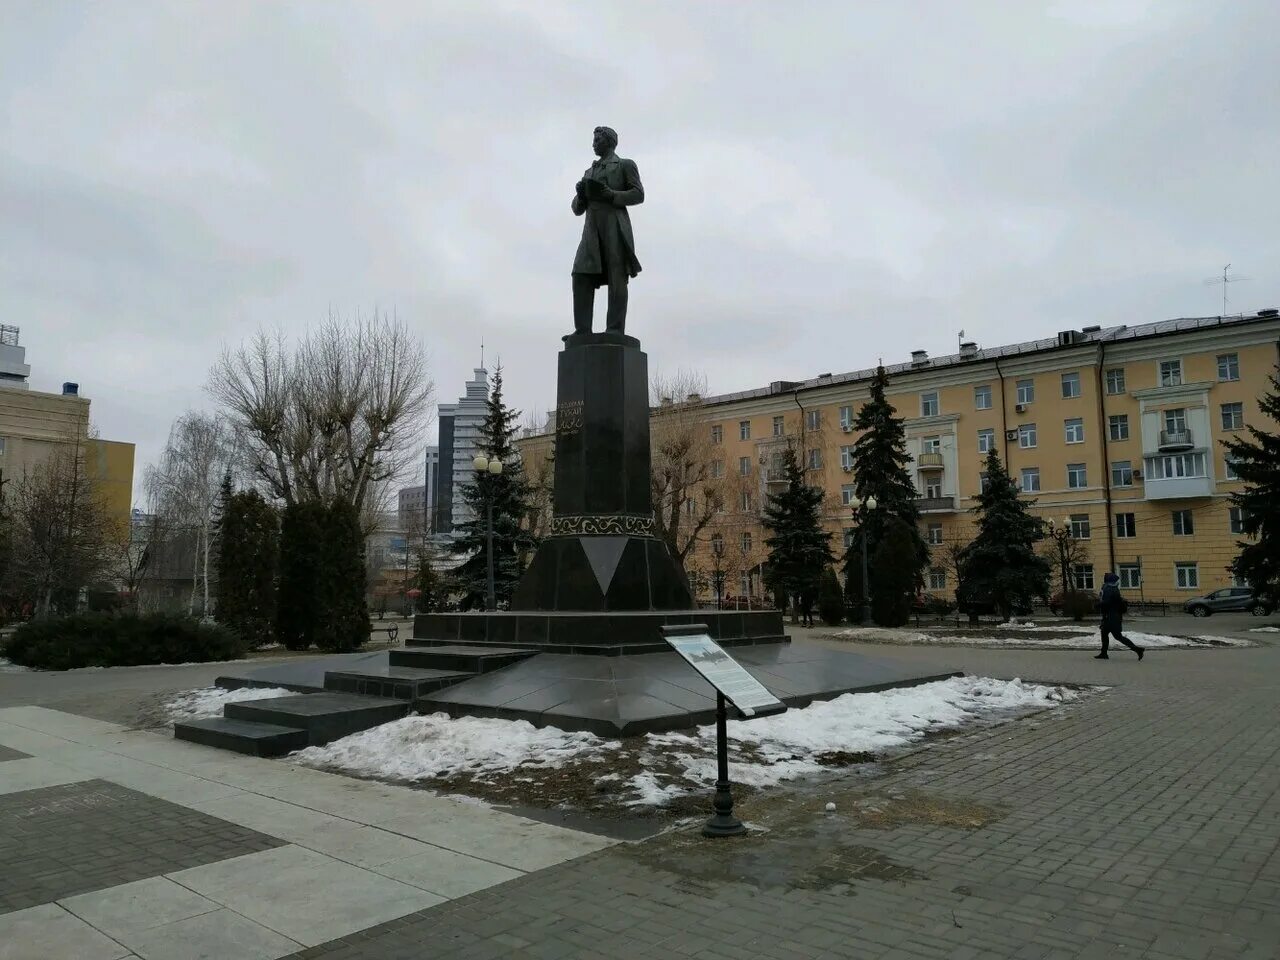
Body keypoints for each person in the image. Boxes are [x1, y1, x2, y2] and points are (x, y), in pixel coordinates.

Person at [570, 126, 644, 335]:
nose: (593, 144)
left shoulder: (624, 165)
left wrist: (610, 194)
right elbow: (576, 208)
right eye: (593, 140)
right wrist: (581, 194)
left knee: (616, 275)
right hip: (591, 229)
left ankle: (614, 329)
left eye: (597, 140)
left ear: (609, 141)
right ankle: (582, 330)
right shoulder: (588, 172)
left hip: (614, 225)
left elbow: (638, 194)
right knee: (580, 274)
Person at [1097, 572, 1143, 660]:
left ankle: (1137, 649)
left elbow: (1108, 602)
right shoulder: (1113, 588)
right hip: (1111, 616)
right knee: (1104, 633)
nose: (1104, 579)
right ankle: (1104, 653)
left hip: (1112, 617)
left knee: (1117, 636)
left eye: (1106, 578)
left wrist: (1099, 605)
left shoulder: (1111, 589)